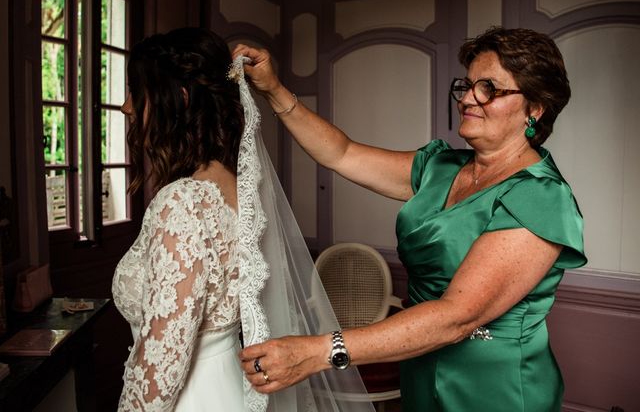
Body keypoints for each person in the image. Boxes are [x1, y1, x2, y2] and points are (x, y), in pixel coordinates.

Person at [234, 26, 587, 411]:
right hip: (420, 364)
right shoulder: (439, 167)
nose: (468, 98)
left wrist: (320, 351)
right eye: (466, 86)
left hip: (492, 386)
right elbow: (342, 153)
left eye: (489, 88)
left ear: (534, 109)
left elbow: (457, 316)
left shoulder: (540, 195)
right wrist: (273, 90)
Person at [112, 27, 375, 411]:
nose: (127, 107)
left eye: (137, 90)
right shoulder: (241, 193)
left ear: (180, 98)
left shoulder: (182, 202)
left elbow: (161, 367)